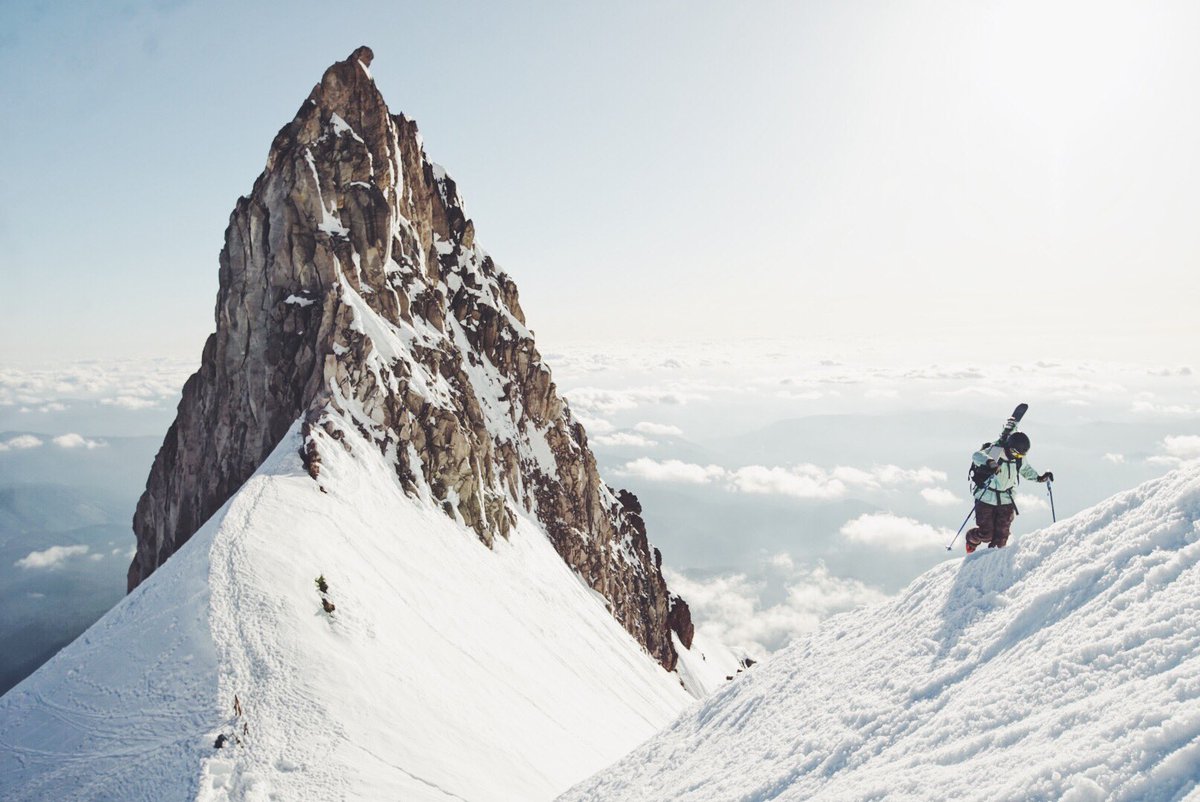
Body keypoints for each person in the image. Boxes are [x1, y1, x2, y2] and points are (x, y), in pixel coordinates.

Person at [965, 430, 1053, 553]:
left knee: (1001, 537)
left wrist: (1039, 478)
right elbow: (977, 456)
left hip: (1006, 499)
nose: (1017, 457)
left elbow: (1025, 469)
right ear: (1009, 447)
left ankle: (992, 563)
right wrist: (990, 462)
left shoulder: (1018, 458)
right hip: (986, 498)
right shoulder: (996, 451)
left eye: (1020, 456)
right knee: (987, 534)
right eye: (1015, 454)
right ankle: (971, 539)